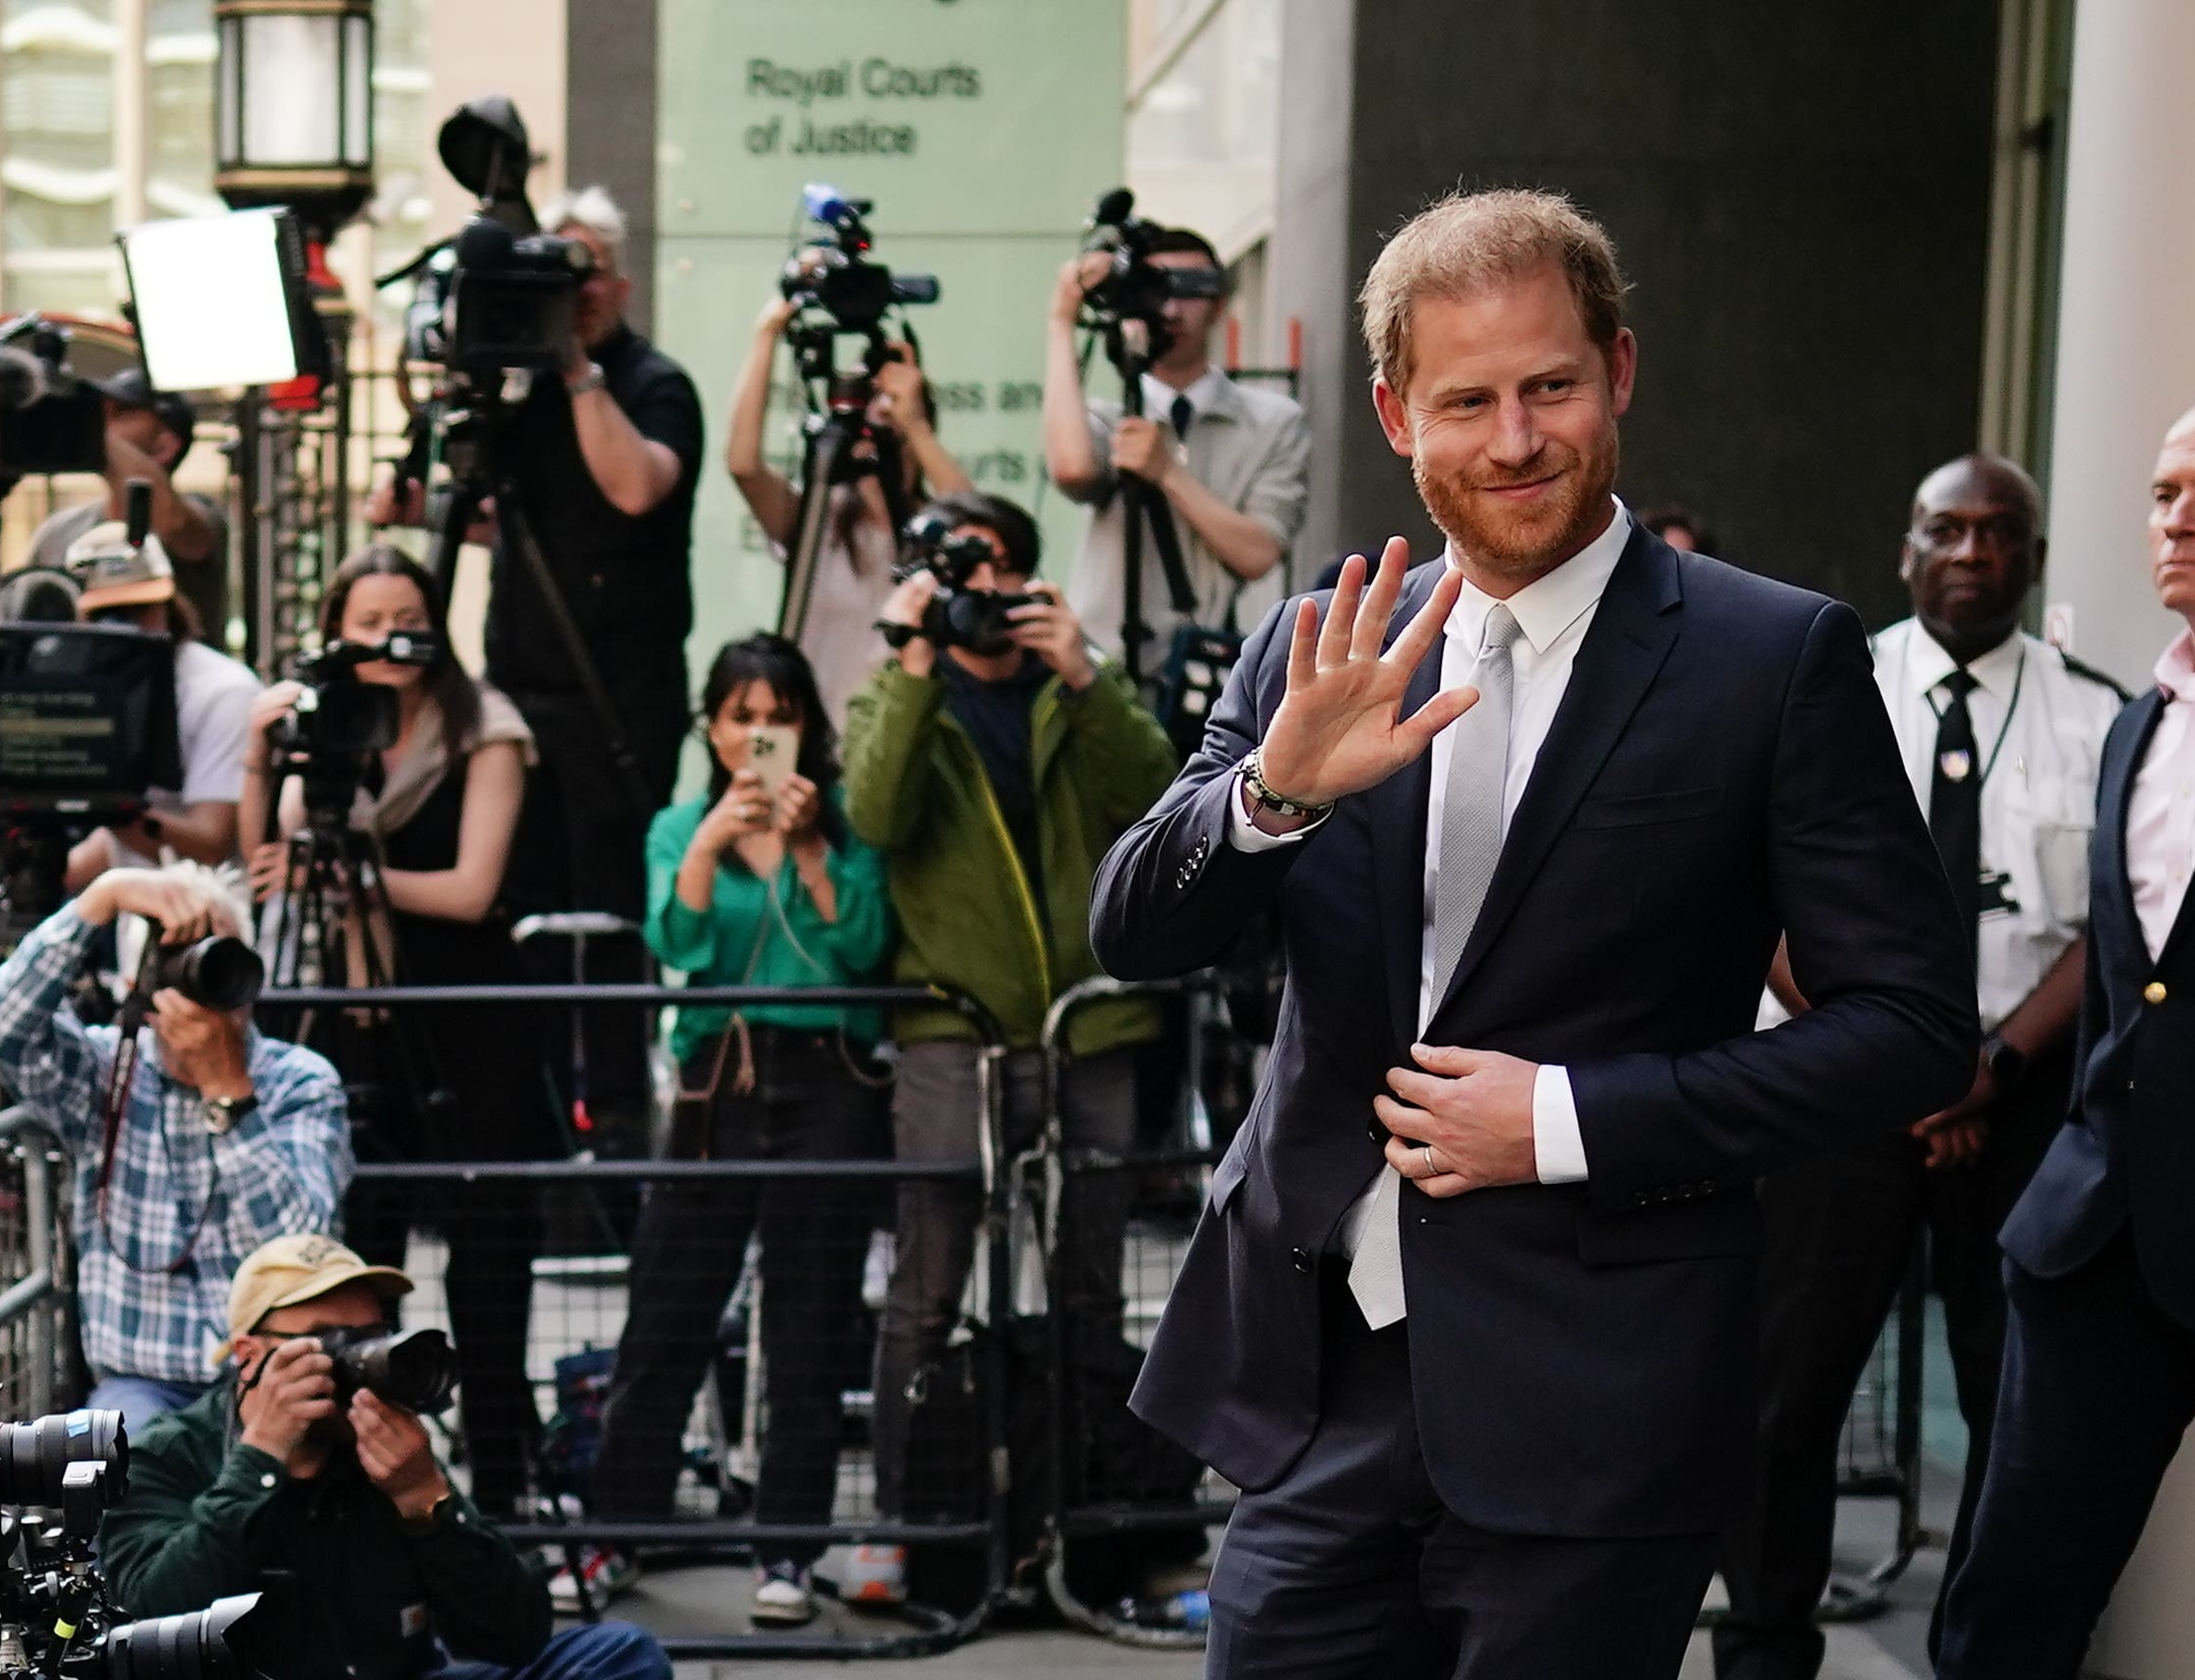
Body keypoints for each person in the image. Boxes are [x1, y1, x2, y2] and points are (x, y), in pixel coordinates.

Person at [1089, 188, 1977, 1678]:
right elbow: (1134, 932)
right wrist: (1271, 793)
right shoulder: (1327, 640)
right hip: (1316, 1388)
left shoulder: (1774, 658)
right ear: (1395, 415)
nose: (1516, 440)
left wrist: (1567, 1117)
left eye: (1551, 385)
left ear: (1618, 372)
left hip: (1598, 1404)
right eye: (1469, 400)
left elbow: (1909, 1032)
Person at [1714, 455, 2126, 1680]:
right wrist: (1884, 1055)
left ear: (2034, 560)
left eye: (2001, 535)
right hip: (1836, 1098)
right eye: (1946, 530)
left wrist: (1983, 1064)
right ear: (1905, 549)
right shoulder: (1815, 681)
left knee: (2018, 1403)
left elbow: (2111, 927)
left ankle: (1983, 1654)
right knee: (1785, 1397)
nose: (1971, 554)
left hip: (2021, 1098)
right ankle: (1764, 1646)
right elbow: (1758, 891)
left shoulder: (2101, 715)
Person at [1937, 392, 2195, 1678]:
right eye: (2163, 493)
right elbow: (2128, 982)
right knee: (2004, 1619)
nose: (2178, 519)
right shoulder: (2138, 723)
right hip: (2097, 1239)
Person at [843, 489, 1180, 1593]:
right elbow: (875, 815)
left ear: (1029, 578)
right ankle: (904, 1520)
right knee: (928, 1285)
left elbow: (1161, 793)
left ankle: (1093, 1512)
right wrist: (908, 660)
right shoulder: (906, 692)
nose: (978, 590)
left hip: (1093, 1021)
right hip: (956, 1028)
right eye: (954, 570)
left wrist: (1084, 674)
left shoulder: (1072, 686)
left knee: (1090, 1283)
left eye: (996, 567)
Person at [371, 183, 703, 1140]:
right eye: (549, 269)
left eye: (581, 271)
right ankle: (529, 1134)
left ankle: (617, 1142)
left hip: (614, 713)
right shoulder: (516, 389)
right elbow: (511, 522)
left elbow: (633, 489)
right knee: (520, 925)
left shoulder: (650, 384)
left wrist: (572, 364)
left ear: (620, 283)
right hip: (515, 701)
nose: (569, 291)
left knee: (603, 933)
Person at [579, 634, 891, 1626]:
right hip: (720, 1078)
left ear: (808, 726)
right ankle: (613, 1530)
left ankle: (788, 1553)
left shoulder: (847, 825)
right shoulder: (680, 824)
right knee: (668, 1306)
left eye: (780, 715)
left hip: (827, 1075)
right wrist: (714, 841)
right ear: (713, 729)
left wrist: (808, 849)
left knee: (809, 1320)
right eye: (742, 715)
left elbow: (859, 950)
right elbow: (679, 944)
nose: (761, 734)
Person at [239, 543, 550, 1516]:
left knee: (486, 1254)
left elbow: (472, 889)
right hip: (354, 1015)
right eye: (365, 622)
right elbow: (266, 859)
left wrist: (347, 877)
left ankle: (499, 1489)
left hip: (463, 1019)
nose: (388, 640)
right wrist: (262, 750)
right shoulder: (321, 726)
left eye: (404, 617)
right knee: (353, 1252)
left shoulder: (484, 724)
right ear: (336, 632)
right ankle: (357, 1498)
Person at [97, 1232, 670, 1680]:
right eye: (330, 1342)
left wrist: (426, 1501)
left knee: (620, 1655)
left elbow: (515, 1635)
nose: (358, 1363)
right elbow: (151, 1622)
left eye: (370, 1338)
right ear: (249, 1356)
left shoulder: (384, 1448)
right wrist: (261, 1462)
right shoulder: (167, 1455)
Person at [0, 864, 353, 1426]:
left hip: (273, 1374)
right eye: (186, 957)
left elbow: (302, 1246)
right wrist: (105, 895)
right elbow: (0, 1027)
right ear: (137, 986)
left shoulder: (300, 1081)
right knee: (108, 1456)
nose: (211, 978)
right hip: (141, 1384)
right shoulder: (108, 1070)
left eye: (224, 954)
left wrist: (228, 1091)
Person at [1043, 223, 1310, 676]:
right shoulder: (1111, 417)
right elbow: (1071, 471)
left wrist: (1166, 471)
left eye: (1190, 289)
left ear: (1219, 305)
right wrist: (1062, 319)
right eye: (1154, 288)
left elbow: (1257, 555)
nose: (1170, 308)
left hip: (1198, 668)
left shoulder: (1273, 421)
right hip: (1097, 666)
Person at [727, 293, 970, 722]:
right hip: (819, 739)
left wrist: (913, 423)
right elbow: (744, 465)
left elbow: (980, 522)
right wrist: (766, 335)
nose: (877, 423)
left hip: (902, 736)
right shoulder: (820, 515)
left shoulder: (936, 527)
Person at [60, 522, 261, 888]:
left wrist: (103, 802)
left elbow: (212, 841)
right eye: (110, 614)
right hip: (133, 913)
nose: (127, 628)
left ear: (169, 606)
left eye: (142, 609)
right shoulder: (90, 688)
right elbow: (109, 844)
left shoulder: (223, 690)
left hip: (218, 917)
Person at [25, 369, 230, 638]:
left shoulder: (201, 514)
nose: (102, 422)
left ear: (165, 446)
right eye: (99, 413)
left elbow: (173, 523)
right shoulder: (58, 531)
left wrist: (89, 429)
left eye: (121, 413)